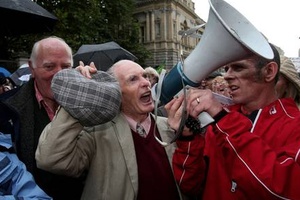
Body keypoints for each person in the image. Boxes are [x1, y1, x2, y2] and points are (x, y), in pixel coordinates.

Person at [165, 43, 300, 199]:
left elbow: (285, 191)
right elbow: (191, 186)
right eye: (227, 68)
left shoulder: (294, 124)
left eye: (238, 68)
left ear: (269, 72)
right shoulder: (221, 122)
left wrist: (223, 119)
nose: (227, 75)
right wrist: (187, 137)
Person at [35, 60, 186, 200]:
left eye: (145, 76)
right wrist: (77, 99)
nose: (147, 83)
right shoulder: (95, 133)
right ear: (116, 93)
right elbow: (50, 160)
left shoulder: (171, 126)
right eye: (133, 79)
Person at [2, 36, 96, 200]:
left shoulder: (88, 103)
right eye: (49, 66)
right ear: (32, 68)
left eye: (66, 67)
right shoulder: (5, 108)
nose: (59, 75)